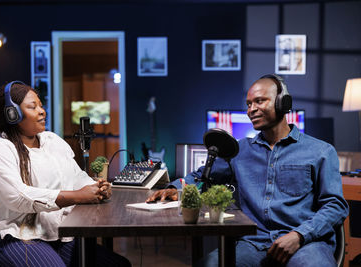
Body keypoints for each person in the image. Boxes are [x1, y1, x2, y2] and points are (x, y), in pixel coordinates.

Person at [146, 74, 349, 267]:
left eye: (260, 101)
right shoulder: (238, 150)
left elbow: (335, 206)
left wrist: (299, 235)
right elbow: (201, 176)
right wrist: (175, 188)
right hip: (252, 244)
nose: (251, 109)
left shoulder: (321, 151)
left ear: (283, 103)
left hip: (305, 244)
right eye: (249, 104)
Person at [0, 81, 131, 267]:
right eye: (33, 107)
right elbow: (18, 197)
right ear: (12, 114)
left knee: (119, 265)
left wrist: (96, 187)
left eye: (41, 105)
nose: (42, 111)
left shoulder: (52, 141)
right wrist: (78, 196)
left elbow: (76, 178)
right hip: (17, 235)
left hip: (59, 234)